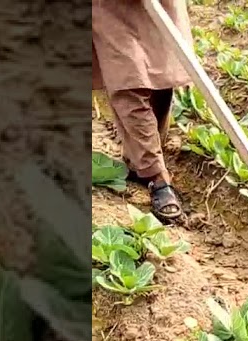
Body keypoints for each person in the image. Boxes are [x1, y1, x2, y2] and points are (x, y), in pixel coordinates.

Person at [93, 0, 191, 223]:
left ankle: (140, 160)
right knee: (128, 83)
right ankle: (157, 178)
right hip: (109, 9)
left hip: (159, 7)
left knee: (161, 78)